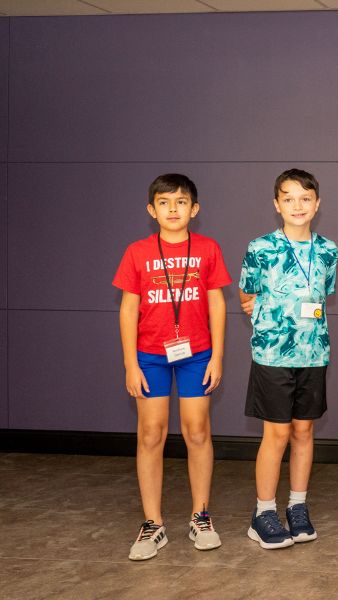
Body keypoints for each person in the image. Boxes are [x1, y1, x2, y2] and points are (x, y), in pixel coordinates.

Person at [114, 173, 231, 560]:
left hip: (196, 354)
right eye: (164, 202)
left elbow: (217, 303)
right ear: (152, 210)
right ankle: (153, 524)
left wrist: (217, 355)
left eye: (181, 202)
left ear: (194, 209)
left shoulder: (209, 249)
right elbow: (128, 309)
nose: (173, 209)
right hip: (150, 356)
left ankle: (200, 515)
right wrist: (131, 363)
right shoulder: (137, 252)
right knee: (150, 433)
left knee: (197, 431)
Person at [239, 169, 338, 549]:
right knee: (276, 434)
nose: (298, 205)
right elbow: (247, 294)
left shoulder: (328, 249)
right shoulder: (260, 247)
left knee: (303, 432)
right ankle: (263, 512)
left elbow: (323, 293)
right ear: (276, 204)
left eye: (305, 198)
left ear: (317, 204)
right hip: (271, 354)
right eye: (289, 198)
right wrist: (262, 313)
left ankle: (297, 506)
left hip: (314, 354)